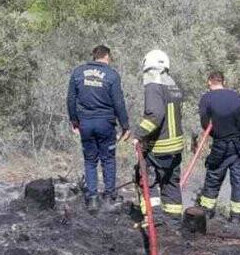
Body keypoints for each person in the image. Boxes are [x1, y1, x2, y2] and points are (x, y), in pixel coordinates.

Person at [66, 45, 130, 213]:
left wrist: (74, 121)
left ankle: (92, 199)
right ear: (107, 56)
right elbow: (118, 102)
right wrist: (125, 126)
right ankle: (109, 196)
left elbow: (71, 99)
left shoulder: (78, 72)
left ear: (94, 56)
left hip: (85, 123)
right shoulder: (111, 75)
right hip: (105, 123)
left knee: (90, 160)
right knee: (108, 159)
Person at [132, 49, 186, 217]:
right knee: (171, 184)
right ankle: (173, 222)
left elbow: (155, 115)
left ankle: (154, 218)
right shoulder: (173, 85)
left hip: (160, 146)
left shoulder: (154, 85)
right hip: (175, 147)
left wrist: (138, 135)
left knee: (144, 178)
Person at [196, 71, 240, 220]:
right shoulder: (235, 96)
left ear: (209, 82)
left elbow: (205, 123)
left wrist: (216, 133)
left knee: (213, 177)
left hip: (221, 145)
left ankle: (206, 213)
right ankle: (236, 217)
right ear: (223, 82)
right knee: (239, 180)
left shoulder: (206, 98)